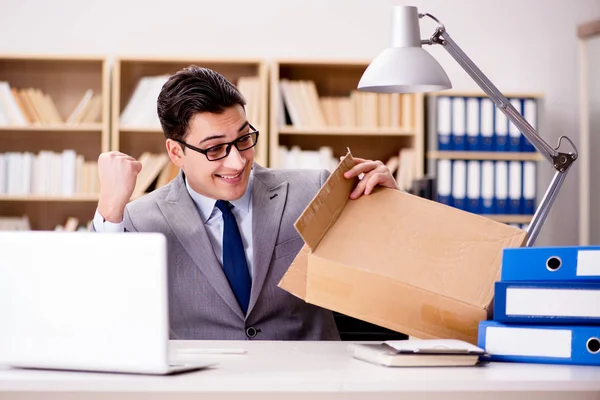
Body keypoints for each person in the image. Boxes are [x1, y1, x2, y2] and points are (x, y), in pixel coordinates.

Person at [92, 66, 401, 341]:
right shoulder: (138, 220)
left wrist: (393, 208)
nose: (237, 161)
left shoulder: (316, 189)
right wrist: (109, 209)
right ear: (175, 153)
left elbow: (391, 274)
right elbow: (102, 308)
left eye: (243, 139)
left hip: (309, 382)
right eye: (215, 149)